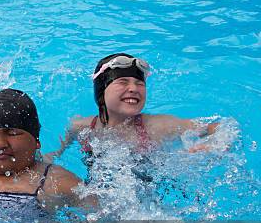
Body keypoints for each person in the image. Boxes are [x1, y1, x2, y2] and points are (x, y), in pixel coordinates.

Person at [0, 53, 95, 217]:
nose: (0, 144)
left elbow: (108, 219)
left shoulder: (55, 182)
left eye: (12, 133)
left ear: (36, 141)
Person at [45, 53, 221, 163]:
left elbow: (219, 127)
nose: (134, 89)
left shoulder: (157, 126)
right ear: (101, 91)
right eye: (122, 82)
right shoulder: (80, 126)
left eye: (139, 83)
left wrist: (212, 146)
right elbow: (56, 153)